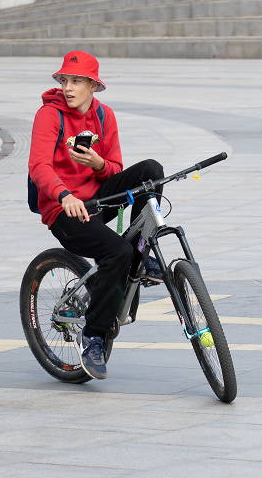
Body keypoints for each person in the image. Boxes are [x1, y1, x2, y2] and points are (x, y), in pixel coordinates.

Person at [28, 50, 164, 380]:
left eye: (77, 81)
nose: (68, 88)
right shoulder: (49, 115)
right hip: (63, 210)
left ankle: (142, 254)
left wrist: (99, 165)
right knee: (117, 252)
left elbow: (116, 167)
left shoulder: (104, 116)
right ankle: (93, 337)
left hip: (98, 200)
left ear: (93, 86)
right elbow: (38, 166)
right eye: (65, 80)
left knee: (151, 170)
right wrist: (64, 195)